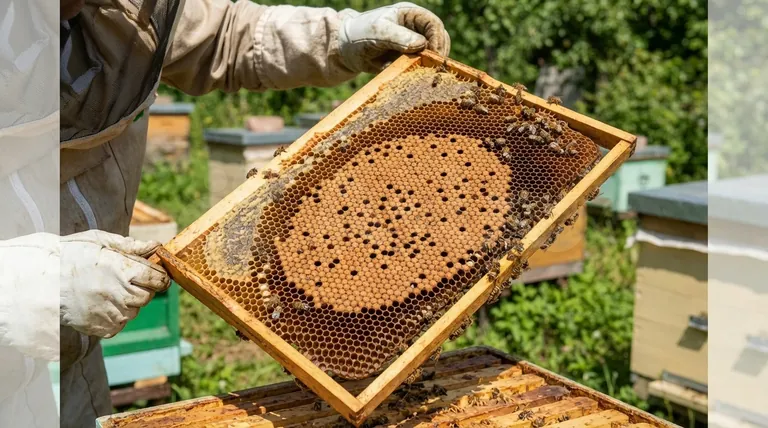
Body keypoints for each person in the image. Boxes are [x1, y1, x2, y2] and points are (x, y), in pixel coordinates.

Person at [58, 0, 450, 426]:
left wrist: (340, 37)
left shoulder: (119, 8)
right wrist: (30, 284)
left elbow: (222, 35)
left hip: (74, 371)